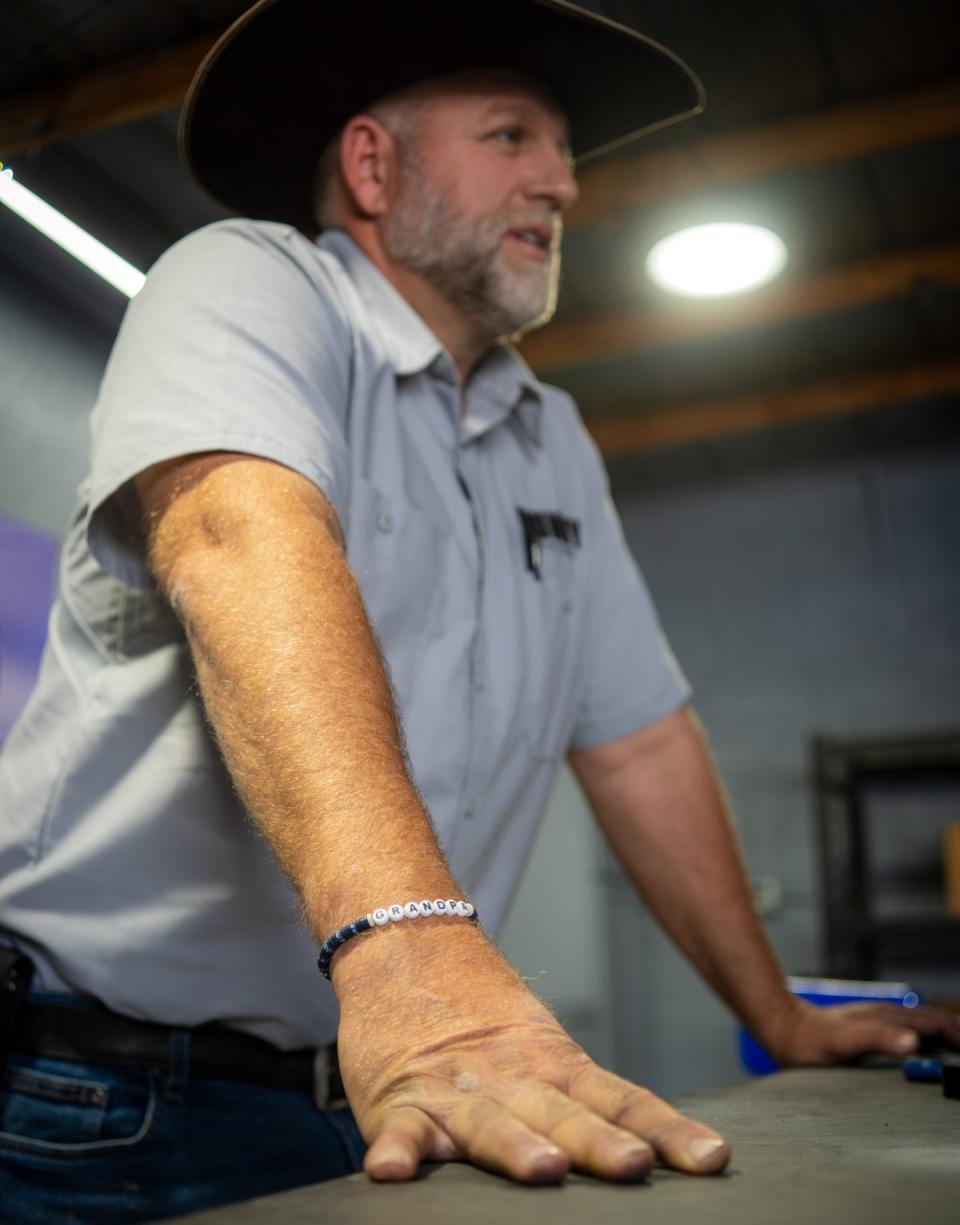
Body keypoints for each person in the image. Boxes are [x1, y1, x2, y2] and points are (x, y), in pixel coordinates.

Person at [1, 1, 958, 1221]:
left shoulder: (549, 434)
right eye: (513, 137)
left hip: (388, 1098)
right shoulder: (246, 279)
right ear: (372, 167)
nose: (562, 182)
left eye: (562, 154)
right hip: (105, 1104)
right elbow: (242, 540)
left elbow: (639, 738)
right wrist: (414, 958)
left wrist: (772, 1010)